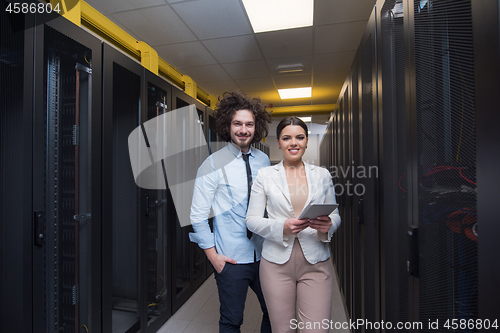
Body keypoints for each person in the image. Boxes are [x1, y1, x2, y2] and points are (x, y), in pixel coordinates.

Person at [246, 116, 341, 332]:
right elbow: (251, 220)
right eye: (287, 138)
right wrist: (281, 227)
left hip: (316, 263)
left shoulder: (322, 175)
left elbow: (335, 214)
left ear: (307, 141)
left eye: (300, 137)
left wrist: (329, 225)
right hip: (276, 265)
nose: (294, 143)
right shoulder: (265, 175)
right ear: (278, 142)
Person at [189, 92, 272, 333]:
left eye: (249, 124)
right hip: (231, 259)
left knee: (274, 312)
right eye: (238, 123)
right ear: (228, 125)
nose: (243, 130)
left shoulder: (264, 160)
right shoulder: (212, 164)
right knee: (231, 321)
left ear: (256, 128)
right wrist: (213, 257)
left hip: (264, 255)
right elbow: (198, 215)